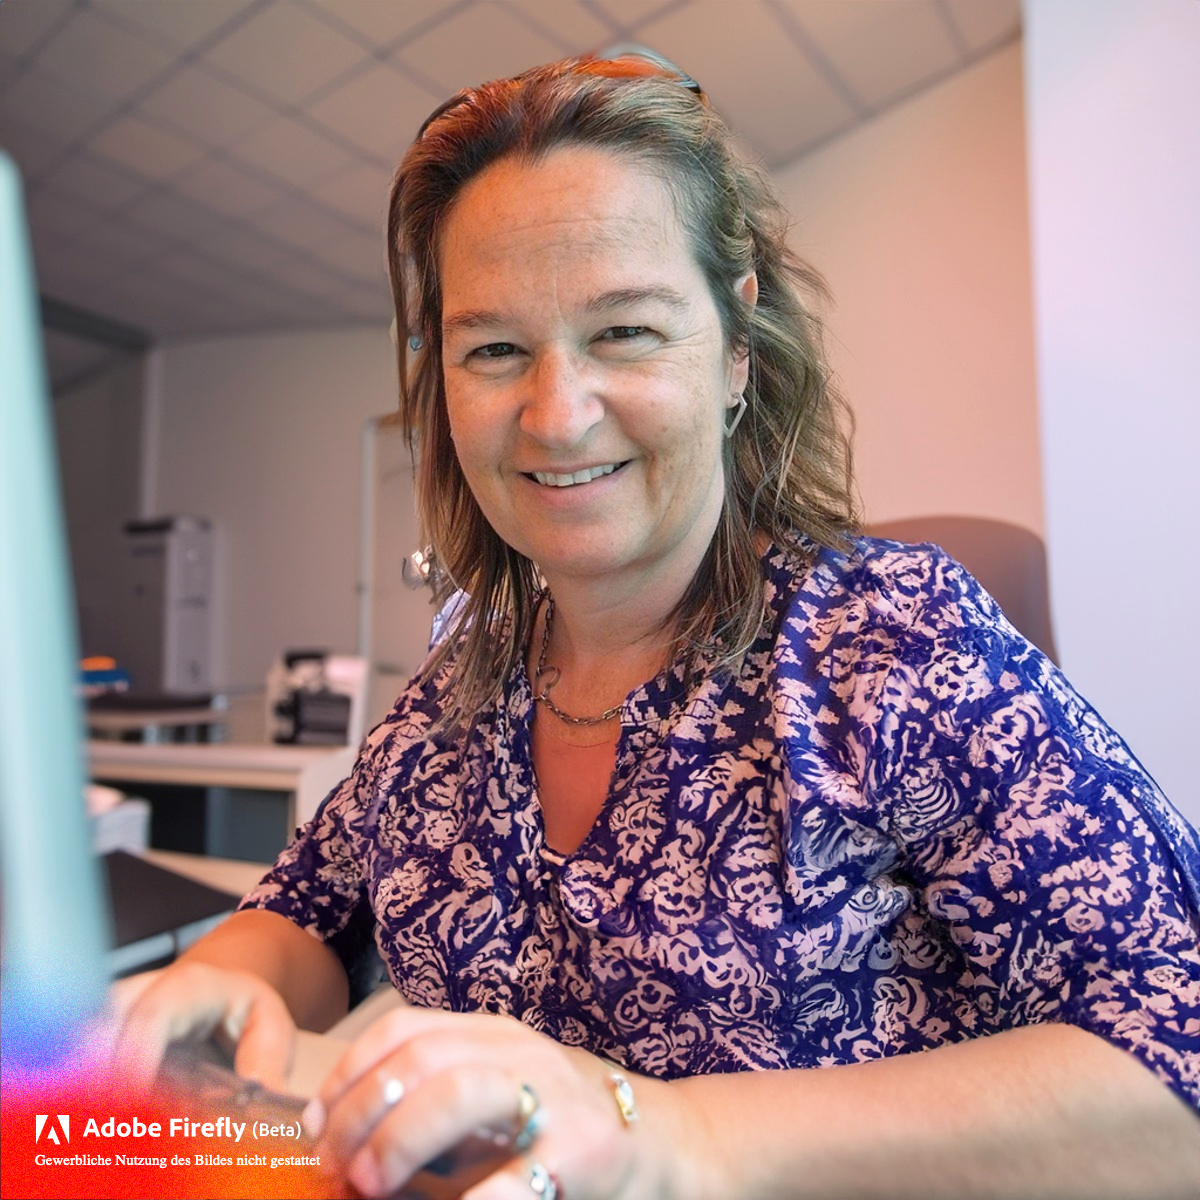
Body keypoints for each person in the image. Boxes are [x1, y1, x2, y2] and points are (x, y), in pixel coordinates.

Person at [114, 51, 1200, 1199]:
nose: (555, 415)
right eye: (494, 350)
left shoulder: (891, 640)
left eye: (626, 331)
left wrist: (674, 1137)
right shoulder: (457, 689)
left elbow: (1177, 1046)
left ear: (736, 350)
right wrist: (225, 982)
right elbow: (308, 909)